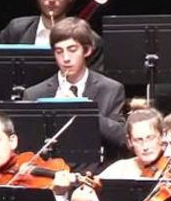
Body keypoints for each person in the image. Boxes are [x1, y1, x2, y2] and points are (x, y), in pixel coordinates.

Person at [22, 17, 126, 164]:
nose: (65, 58)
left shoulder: (111, 89)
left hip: (96, 172)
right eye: (59, 51)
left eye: (72, 50)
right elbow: (28, 146)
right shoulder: (34, 94)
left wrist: (82, 108)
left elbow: (121, 138)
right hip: (50, 172)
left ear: (87, 50)